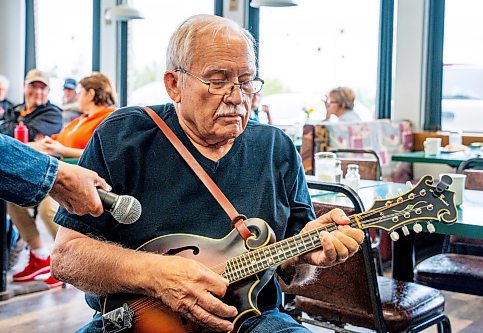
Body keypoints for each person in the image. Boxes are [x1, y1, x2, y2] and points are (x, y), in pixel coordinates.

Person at [51, 15, 364, 333]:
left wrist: (308, 257)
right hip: (138, 321)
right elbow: (67, 257)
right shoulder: (124, 136)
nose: (238, 97)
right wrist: (156, 275)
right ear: (174, 84)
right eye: (218, 81)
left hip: (251, 320)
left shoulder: (276, 148)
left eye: (246, 81)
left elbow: (290, 274)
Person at [8, 72, 117, 287]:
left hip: (85, 178)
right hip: (60, 168)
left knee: (51, 203)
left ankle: (72, 258)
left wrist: (61, 149)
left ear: (91, 93)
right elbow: (53, 141)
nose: (77, 96)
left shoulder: (108, 118)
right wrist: (31, 147)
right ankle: (40, 256)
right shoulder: (79, 120)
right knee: (13, 195)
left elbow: (102, 151)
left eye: (80, 92)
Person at [0, 133, 109, 215]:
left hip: (76, 174)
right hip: (58, 169)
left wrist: (58, 168)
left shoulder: (105, 120)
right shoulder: (75, 122)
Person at [0, 69, 62, 141]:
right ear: (24, 87)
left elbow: (28, 134)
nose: (38, 91)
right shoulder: (13, 109)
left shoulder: (53, 114)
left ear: (48, 91)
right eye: (33, 86)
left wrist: (5, 126)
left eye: (42, 88)